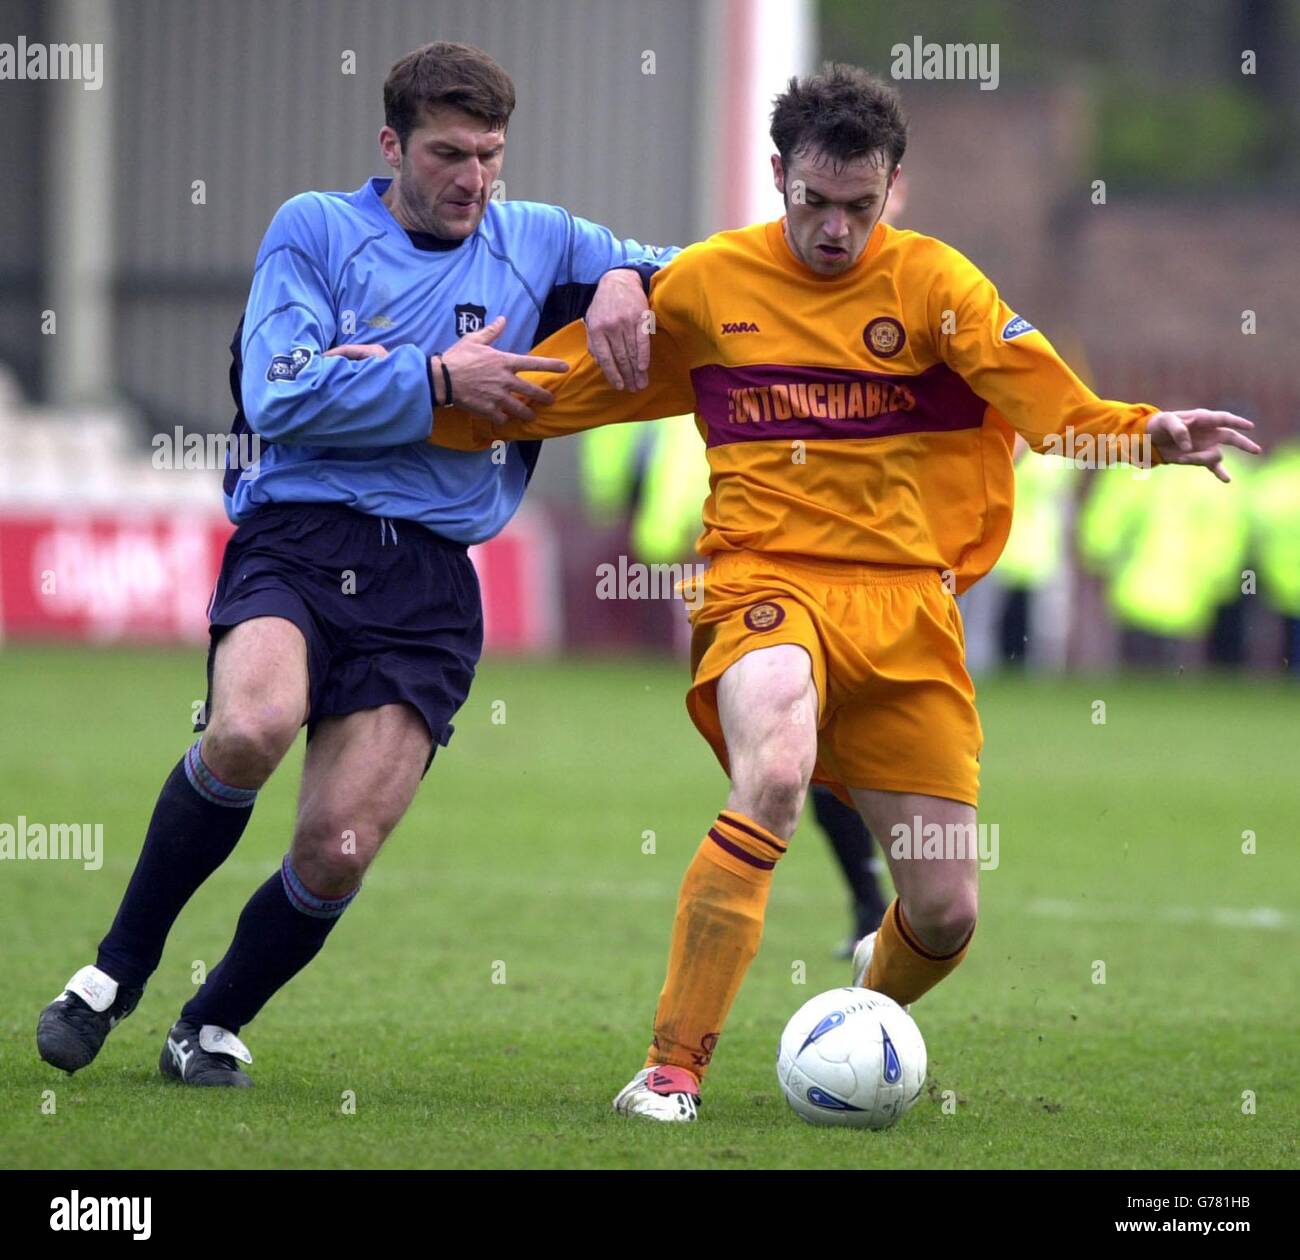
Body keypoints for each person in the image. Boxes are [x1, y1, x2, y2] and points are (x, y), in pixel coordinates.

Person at [428, 62, 1260, 1122]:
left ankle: (851, 1025)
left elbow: (1047, 404)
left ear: (893, 187)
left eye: (857, 208)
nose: (833, 230)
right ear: (777, 175)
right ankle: (670, 1070)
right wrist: (415, 394)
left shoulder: (937, 287)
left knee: (947, 912)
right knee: (774, 770)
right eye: (812, 203)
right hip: (762, 582)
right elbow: (552, 388)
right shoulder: (710, 284)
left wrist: (1146, 434)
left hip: (909, 611)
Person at [36, 41, 675, 1087]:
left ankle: (212, 1024)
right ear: (390, 146)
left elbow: (681, 270)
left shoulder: (542, 238)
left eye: (489, 155)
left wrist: (620, 275)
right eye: (446, 154)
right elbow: (281, 392)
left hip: (428, 580)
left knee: (336, 848)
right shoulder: (316, 229)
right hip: (301, 535)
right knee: (248, 727)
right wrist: (438, 381)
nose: (472, 179)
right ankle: (112, 973)